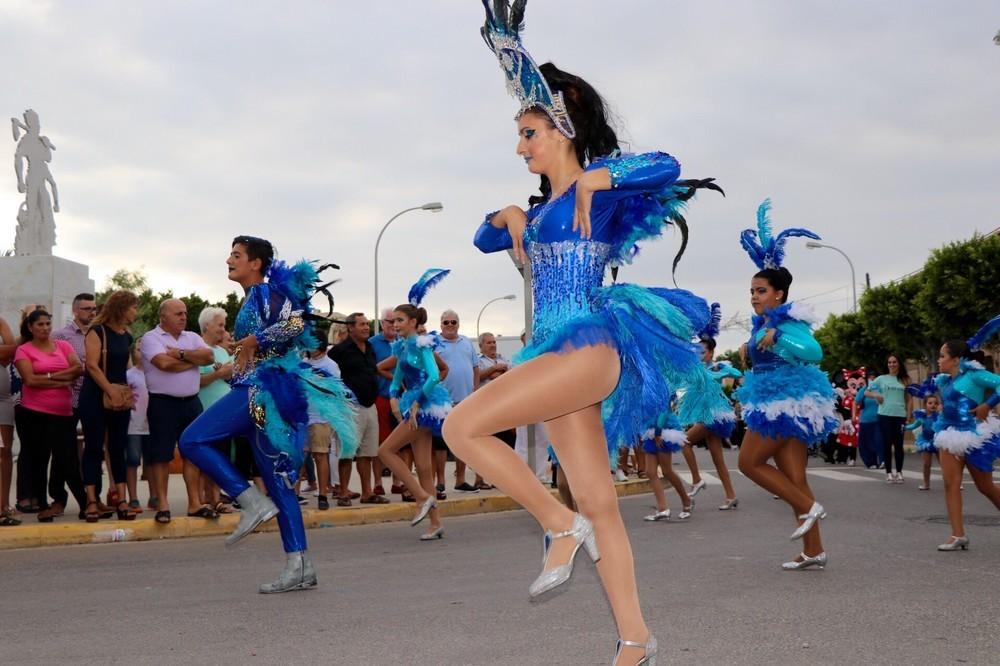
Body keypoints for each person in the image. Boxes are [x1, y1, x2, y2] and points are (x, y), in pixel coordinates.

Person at [444, 5, 724, 662]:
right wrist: (508, 213)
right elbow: (482, 238)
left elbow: (666, 163)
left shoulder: (594, 195)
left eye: (529, 132)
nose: (521, 147)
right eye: (519, 136)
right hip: (557, 358)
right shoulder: (542, 209)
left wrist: (603, 175)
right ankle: (635, 640)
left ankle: (555, 523)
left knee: (461, 427)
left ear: (562, 126)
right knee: (600, 503)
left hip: (587, 348)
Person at [179, 236, 358, 593]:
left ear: (256, 263)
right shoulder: (253, 297)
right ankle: (300, 565)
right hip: (262, 400)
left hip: (257, 393)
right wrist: (241, 354)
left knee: (192, 440)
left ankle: (249, 501)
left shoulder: (264, 293)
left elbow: (295, 325)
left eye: (236, 255)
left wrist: (254, 342)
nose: (228, 260)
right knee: (278, 482)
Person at [734, 199, 838, 571]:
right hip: (775, 400)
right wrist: (749, 346)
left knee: (749, 462)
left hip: (783, 403)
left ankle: (810, 507)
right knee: (794, 476)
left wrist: (777, 336)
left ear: (778, 294)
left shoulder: (787, 322)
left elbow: (813, 351)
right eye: (752, 290)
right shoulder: (763, 325)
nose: (754, 296)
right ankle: (814, 550)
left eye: (760, 290)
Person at [377, 270, 453, 540]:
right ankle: (435, 523)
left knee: (385, 451)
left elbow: (433, 376)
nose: (395, 324)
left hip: (426, 407)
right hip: (413, 405)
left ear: (412, 322)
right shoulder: (402, 348)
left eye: (400, 320)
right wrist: (394, 397)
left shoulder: (422, 345)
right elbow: (397, 378)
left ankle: (422, 497)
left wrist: (418, 402)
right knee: (423, 467)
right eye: (393, 320)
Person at [141, 299, 216, 523]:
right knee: (161, 455)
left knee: (192, 453)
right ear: (163, 316)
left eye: (184, 313)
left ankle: (194, 503)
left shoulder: (191, 337)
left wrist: (180, 354)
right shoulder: (151, 338)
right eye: (178, 313)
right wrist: (194, 360)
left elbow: (209, 357)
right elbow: (164, 364)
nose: (184, 317)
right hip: (163, 403)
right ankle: (163, 505)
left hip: (191, 402)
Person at [930, 321, 1000, 552]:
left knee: (985, 487)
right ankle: (957, 534)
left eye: (942, 356)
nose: (939, 360)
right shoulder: (945, 381)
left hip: (974, 436)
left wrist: (987, 405)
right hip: (949, 435)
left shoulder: (974, 376)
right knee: (950, 484)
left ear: (956, 359)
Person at [13, 308, 86, 522]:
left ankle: (85, 504)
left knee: (68, 460)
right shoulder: (24, 350)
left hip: (63, 412)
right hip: (34, 413)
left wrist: (46, 377)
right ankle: (43, 506)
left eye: (47, 324)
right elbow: (30, 380)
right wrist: (60, 380)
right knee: (39, 459)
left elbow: (78, 368)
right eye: (40, 324)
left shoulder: (63, 346)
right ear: (30, 327)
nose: (45, 328)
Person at [79, 291, 142, 522]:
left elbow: (127, 366)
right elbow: (92, 366)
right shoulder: (97, 331)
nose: (135, 311)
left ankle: (121, 499)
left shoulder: (127, 336)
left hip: (119, 397)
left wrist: (129, 391)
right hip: (94, 396)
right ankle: (91, 501)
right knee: (94, 447)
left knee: (118, 447)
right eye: (133, 307)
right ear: (121, 308)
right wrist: (110, 390)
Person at [678, 314, 741, 510]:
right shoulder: (697, 369)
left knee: (683, 441)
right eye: (697, 352)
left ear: (711, 353)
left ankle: (697, 479)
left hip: (714, 416)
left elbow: (737, 374)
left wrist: (723, 368)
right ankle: (731, 496)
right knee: (717, 459)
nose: (699, 355)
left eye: (703, 352)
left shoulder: (714, 367)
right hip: (707, 416)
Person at [328, 313, 388, 506]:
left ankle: (367, 493)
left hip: (370, 406)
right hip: (350, 408)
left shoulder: (369, 347)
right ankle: (343, 492)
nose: (366, 328)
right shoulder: (339, 351)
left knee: (367, 453)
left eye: (367, 324)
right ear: (350, 327)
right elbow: (327, 375)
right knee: (347, 452)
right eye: (362, 324)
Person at [52, 293, 98, 502]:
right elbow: (55, 364)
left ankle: (94, 497)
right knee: (62, 450)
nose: (92, 312)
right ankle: (58, 498)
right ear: (75, 310)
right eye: (87, 309)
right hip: (68, 399)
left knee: (94, 448)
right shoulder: (60, 336)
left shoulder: (99, 334)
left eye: (94, 308)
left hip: (93, 398)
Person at [437, 310, 484, 492]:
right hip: (442, 402)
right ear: (441, 324)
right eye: (446, 322)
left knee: (461, 441)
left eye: (453, 322)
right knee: (440, 444)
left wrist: (475, 391)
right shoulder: (435, 343)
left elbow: (475, 368)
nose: (450, 325)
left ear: (458, 324)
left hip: (465, 401)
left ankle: (460, 480)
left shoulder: (466, 342)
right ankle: (440, 482)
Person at [197, 306, 235, 514]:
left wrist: (229, 372)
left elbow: (232, 376)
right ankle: (204, 499)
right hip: (205, 412)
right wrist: (219, 374)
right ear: (207, 326)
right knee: (205, 458)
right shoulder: (199, 349)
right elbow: (197, 381)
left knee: (221, 457)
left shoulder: (221, 351)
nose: (223, 329)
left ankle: (216, 498)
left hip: (224, 414)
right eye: (220, 325)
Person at [641, 404, 693, 522]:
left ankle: (686, 500)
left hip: (663, 431)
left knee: (667, 471)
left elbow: (663, 409)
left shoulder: (664, 391)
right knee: (650, 472)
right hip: (650, 430)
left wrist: (658, 432)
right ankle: (663, 509)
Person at [866, 354, 912, 484]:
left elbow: (909, 399)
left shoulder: (905, 380)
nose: (891, 364)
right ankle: (888, 472)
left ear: (899, 364)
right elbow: (867, 392)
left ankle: (899, 472)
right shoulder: (881, 379)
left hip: (900, 415)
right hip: (884, 414)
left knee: (899, 444)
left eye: (894, 362)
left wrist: (909, 415)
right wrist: (876, 395)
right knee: (887, 443)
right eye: (889, 362)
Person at [369, 308, 398, 495]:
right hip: (380, 396)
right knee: (379, 442)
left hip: (401, 398)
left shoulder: (403, 342)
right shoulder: (372, 343)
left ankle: (398, 482)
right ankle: (378, 482)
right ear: (381, 323)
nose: (393, 325)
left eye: (396, 321)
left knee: (399, 442)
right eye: (389, 321)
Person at [478, 332, 516, 449]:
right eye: (489, 343)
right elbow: (477, 376)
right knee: (492, 441)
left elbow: (513, 374)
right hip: (488, 407)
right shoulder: (478, 361)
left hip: (505, 406)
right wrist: (494, 368)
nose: (493, 345)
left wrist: (495, 375)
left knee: (509, 442)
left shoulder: (503, 358)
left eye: (494, 342)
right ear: (481, 346)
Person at [904, 379, 941, 491]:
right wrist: (905, 427)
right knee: (926, 464)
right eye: (930, 403)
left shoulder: (940, 417)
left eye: (935, 403)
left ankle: (954, 483)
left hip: (938, 441)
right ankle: (926, 484)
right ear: (925, 405)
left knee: (945, 464)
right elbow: (914, 425)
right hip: (925, 441)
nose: (933, 405)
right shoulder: (922, 417)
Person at [0, 315, 19, 525]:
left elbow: (12, 350)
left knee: (4, 451)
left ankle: (3, 504)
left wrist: (5, 352)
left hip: (2, 399)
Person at [125, 341, 149, 511]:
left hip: (153, 423)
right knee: (132, 460)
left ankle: (155, 496)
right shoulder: (129, 375)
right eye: (139, 349)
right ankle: (133, 498)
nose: (143, 352)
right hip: (133, 423)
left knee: (153, 461)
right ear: (134, 353)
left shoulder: (157, 373)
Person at [853, 368, 882, 469]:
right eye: (870, 377)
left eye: (874, 377)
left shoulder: (881, 389)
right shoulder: (864, 390)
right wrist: (854, 415)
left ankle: (882, 460)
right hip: (865, 420)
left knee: (879, 441)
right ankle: (870, 462)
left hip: (879, 420)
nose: (872, 379)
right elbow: (855, 402)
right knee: (865, 443)